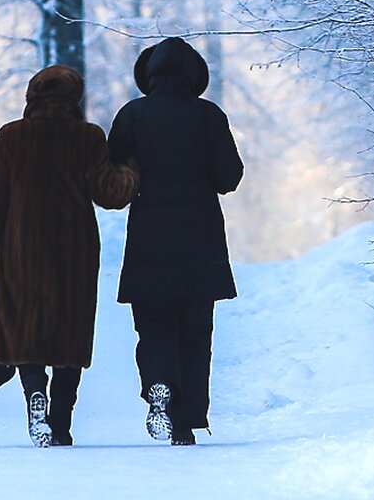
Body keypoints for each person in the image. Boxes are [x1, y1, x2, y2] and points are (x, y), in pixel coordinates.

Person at [0, 64, 137, 447]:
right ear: (74, 98)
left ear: (32, 96)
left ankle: (34, 390)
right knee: (70, 330)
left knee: (24, 326)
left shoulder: (11, 136)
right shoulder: (88, 137)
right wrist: (131, 167)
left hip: (20, 249)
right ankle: (61, 423)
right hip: (73, 251)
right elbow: (110, 194)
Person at [108, 36, 244, 446]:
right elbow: (229, 178)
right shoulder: (209, 116)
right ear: (193, 76)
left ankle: (159, 386)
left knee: (153, 324)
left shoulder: (133, 114)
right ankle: (185, 421)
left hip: (150, 234)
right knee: (196, 328)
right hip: (200, 238)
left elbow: (112, 170)